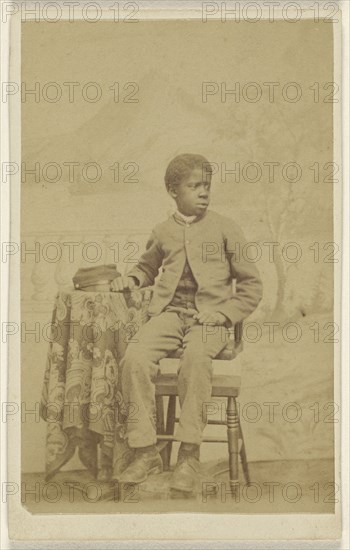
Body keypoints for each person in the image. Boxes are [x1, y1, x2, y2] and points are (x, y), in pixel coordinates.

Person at [111, 153, 263, 493]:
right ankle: (146, 450)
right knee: (134, 357)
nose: (204, 192)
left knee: (195, 359)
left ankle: (188, 455)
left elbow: (252, 285)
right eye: (194, 186)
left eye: (206, 186)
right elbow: (147, 268)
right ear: (172, 190)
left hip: (209, 321)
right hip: (169, 315)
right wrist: (132, 280)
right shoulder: (162, 231)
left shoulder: (226, 227)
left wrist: (224, 315)